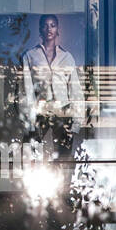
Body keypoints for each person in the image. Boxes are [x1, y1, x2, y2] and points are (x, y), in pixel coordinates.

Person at [20, 13, 84, 159]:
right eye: (45, 25)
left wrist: (76, 122)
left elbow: (75, 91)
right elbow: (27, 90)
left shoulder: (67, 57)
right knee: (33, 156)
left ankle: (64, 182)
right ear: (40, 29)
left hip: (62, 114)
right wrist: (29, 119)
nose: (49, 29)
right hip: (39, 113)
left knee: (63, 158)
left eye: (53, 25)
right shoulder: (30, 56)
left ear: (57, 29)